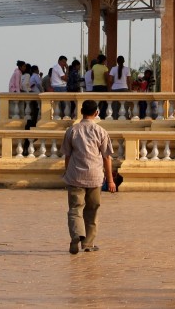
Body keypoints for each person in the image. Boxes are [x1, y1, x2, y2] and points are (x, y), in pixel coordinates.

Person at [62, 99, 116, 255]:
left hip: (75, 175)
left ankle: (76, 235)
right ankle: (88, 243)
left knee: (75, 209)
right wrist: (111, 180)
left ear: (81, 112)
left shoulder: (72, 130)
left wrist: (67, 172)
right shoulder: (101, 132)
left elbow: (67, 155)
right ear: (97, 113)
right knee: (92, 210)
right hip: (95, 176)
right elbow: (107, 157)